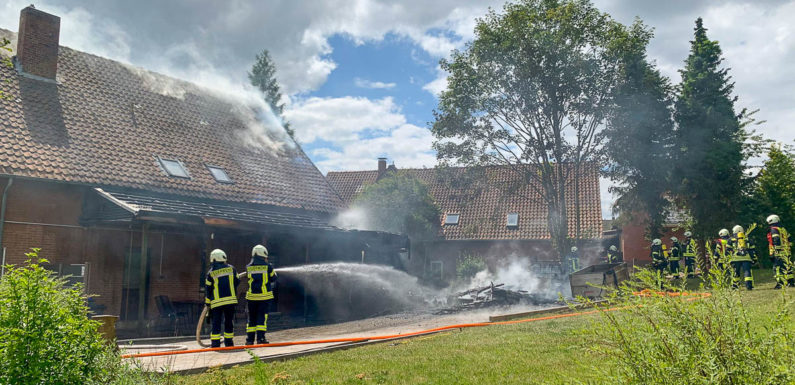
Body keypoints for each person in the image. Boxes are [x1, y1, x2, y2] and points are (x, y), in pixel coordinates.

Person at [205, 249, 240, 348]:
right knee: (229, 322)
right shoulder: (232, 269)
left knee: (216, 323)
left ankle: (215, 344)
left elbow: (208, 289)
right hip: (230, 301)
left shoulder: (210, 273)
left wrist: (207, 303)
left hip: (217, 303)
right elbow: (237, 281)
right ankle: (228, 343)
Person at [245, 244, 278, 345]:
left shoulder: (248, 267)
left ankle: (249, 340)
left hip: (251, 298)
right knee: (261, 318)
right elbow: (274, 278)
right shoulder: (268, 266)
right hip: (264, 297)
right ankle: (260, 339)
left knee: (251, 319)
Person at [767, 214, 794, 289]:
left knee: (777, 268)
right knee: (787, 267)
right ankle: (791, 282)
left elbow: (776, 240)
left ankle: (780, 283)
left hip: (779, 252)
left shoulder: (774, 229)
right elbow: (790, 239)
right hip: (786, 251)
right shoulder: (783, 229)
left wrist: (776, 251)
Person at [730, 225, 756, 290]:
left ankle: (735, 286)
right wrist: (754, 259)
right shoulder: (747, 239)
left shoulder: (731, 239)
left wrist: (729, 259)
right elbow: (752, 250)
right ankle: (749, 286)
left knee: (736, 272)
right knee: (747, 272)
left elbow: (728, 250)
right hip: (746, 258)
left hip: (735, 259)